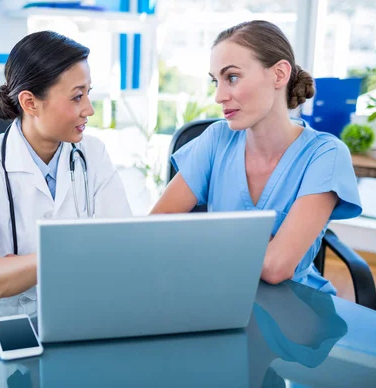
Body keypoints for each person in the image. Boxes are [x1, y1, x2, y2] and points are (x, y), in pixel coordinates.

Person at [151, 20, 362, 294]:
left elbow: (277, 268)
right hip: (218, 293)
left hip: (296, 308)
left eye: (233, 78)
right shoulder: (217, 139)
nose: (218, 96)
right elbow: (156, 227)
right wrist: (263, 242)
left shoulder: (325, 155)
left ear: (279, 74)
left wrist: (205, 237)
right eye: (216, 81)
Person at [0, 31, 131, 308]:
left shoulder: (93, 156)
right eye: (76, 97)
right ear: (30, 103)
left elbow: (121, 246)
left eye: (88, 94)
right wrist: (69, 253)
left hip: (64, 310)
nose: (89, 109)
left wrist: (16, 266)